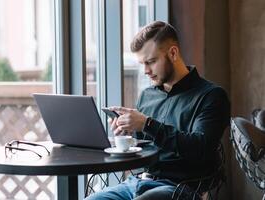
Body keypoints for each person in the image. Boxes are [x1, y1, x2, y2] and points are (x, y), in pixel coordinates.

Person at [85, 21, 230, 200]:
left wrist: (147, 124)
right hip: (137, 182)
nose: (146, 71)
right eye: (142, 64)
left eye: (151, 62)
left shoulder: (211, 96)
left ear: (173, 53)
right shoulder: (147, 95)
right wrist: (128, 132)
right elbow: (144, 147)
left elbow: (200, 148)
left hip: (180, 188)